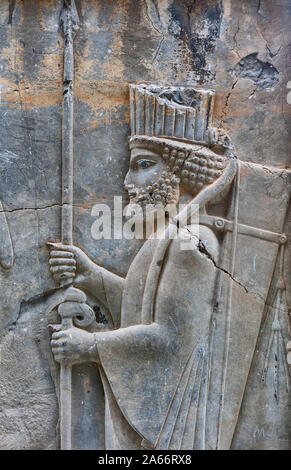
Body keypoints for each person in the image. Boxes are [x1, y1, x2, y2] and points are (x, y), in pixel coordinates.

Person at [47, 85, 239, 449]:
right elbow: (145, 305)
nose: (127, 182)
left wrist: (90, 346)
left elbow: (168, 337)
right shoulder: (171, 239)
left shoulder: (190, 243)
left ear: (181, 173)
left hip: (181, 429)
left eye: (143, 166)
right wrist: (91, 275)